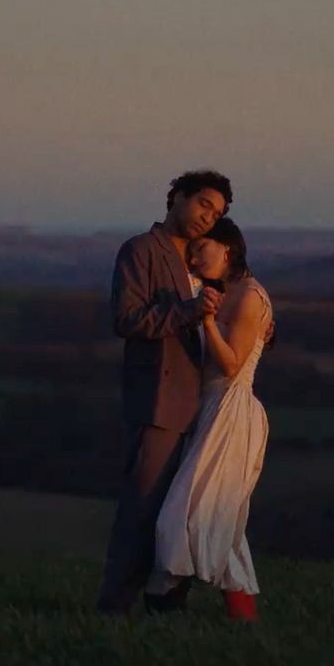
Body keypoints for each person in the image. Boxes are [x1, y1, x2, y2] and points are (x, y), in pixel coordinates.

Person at [94, 170, 232, 615]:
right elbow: (127, 319)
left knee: (178, 516)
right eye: (203, 205)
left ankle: (164, 606)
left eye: (216, 214)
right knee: (141, 509)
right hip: (157, 399)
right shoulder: (141, 250)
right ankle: (112, 609)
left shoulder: (197, 259)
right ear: (175, 197)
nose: (206, 218)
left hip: (195, 405)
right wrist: (189, 310)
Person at [150, 217, 273, 622]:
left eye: (201, 248)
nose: (195, 257)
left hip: (231, 412)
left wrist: (205, 322)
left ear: (227, 249)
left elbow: (233, 364)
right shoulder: (223, 292)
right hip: (210, 409)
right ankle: (235, 617)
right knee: (215, 518)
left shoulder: (250, 296)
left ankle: (164, 597)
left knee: (188, 513)